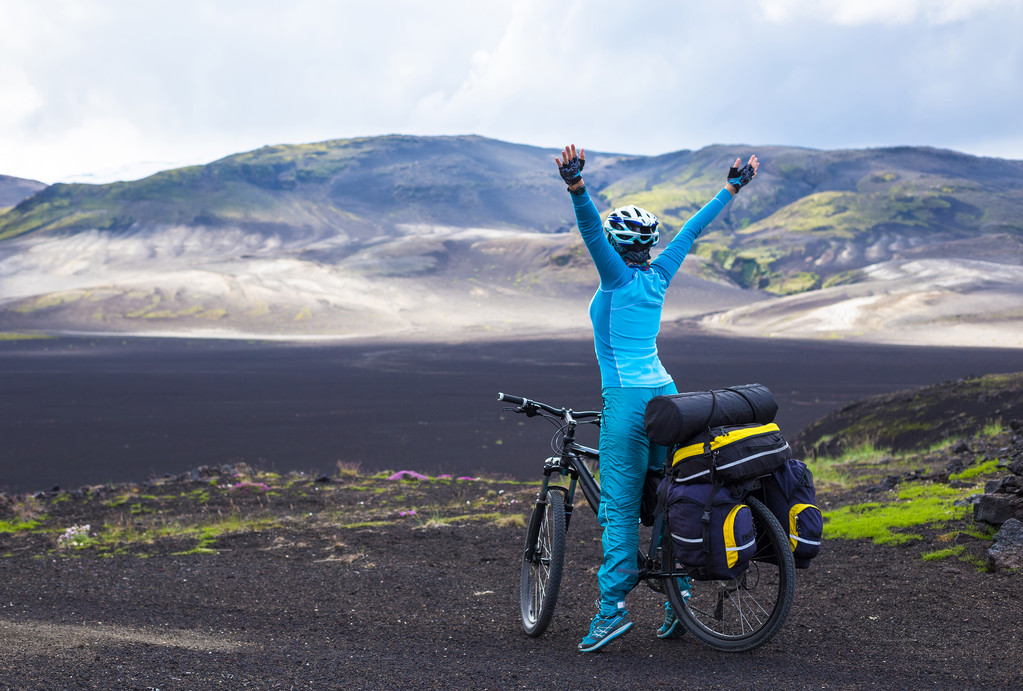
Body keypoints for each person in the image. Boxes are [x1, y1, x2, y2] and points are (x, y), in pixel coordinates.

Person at [553, 143, 758, 652]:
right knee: (671, 495)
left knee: (621, 507)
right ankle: (677, 596)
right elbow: (693, 229)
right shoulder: (659, 275)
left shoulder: (615, 277)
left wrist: (577, 188)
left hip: (627, 402)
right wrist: (731, 187)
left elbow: (590, 230)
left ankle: (611, 612)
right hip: (669, 397)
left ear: (617, 245)